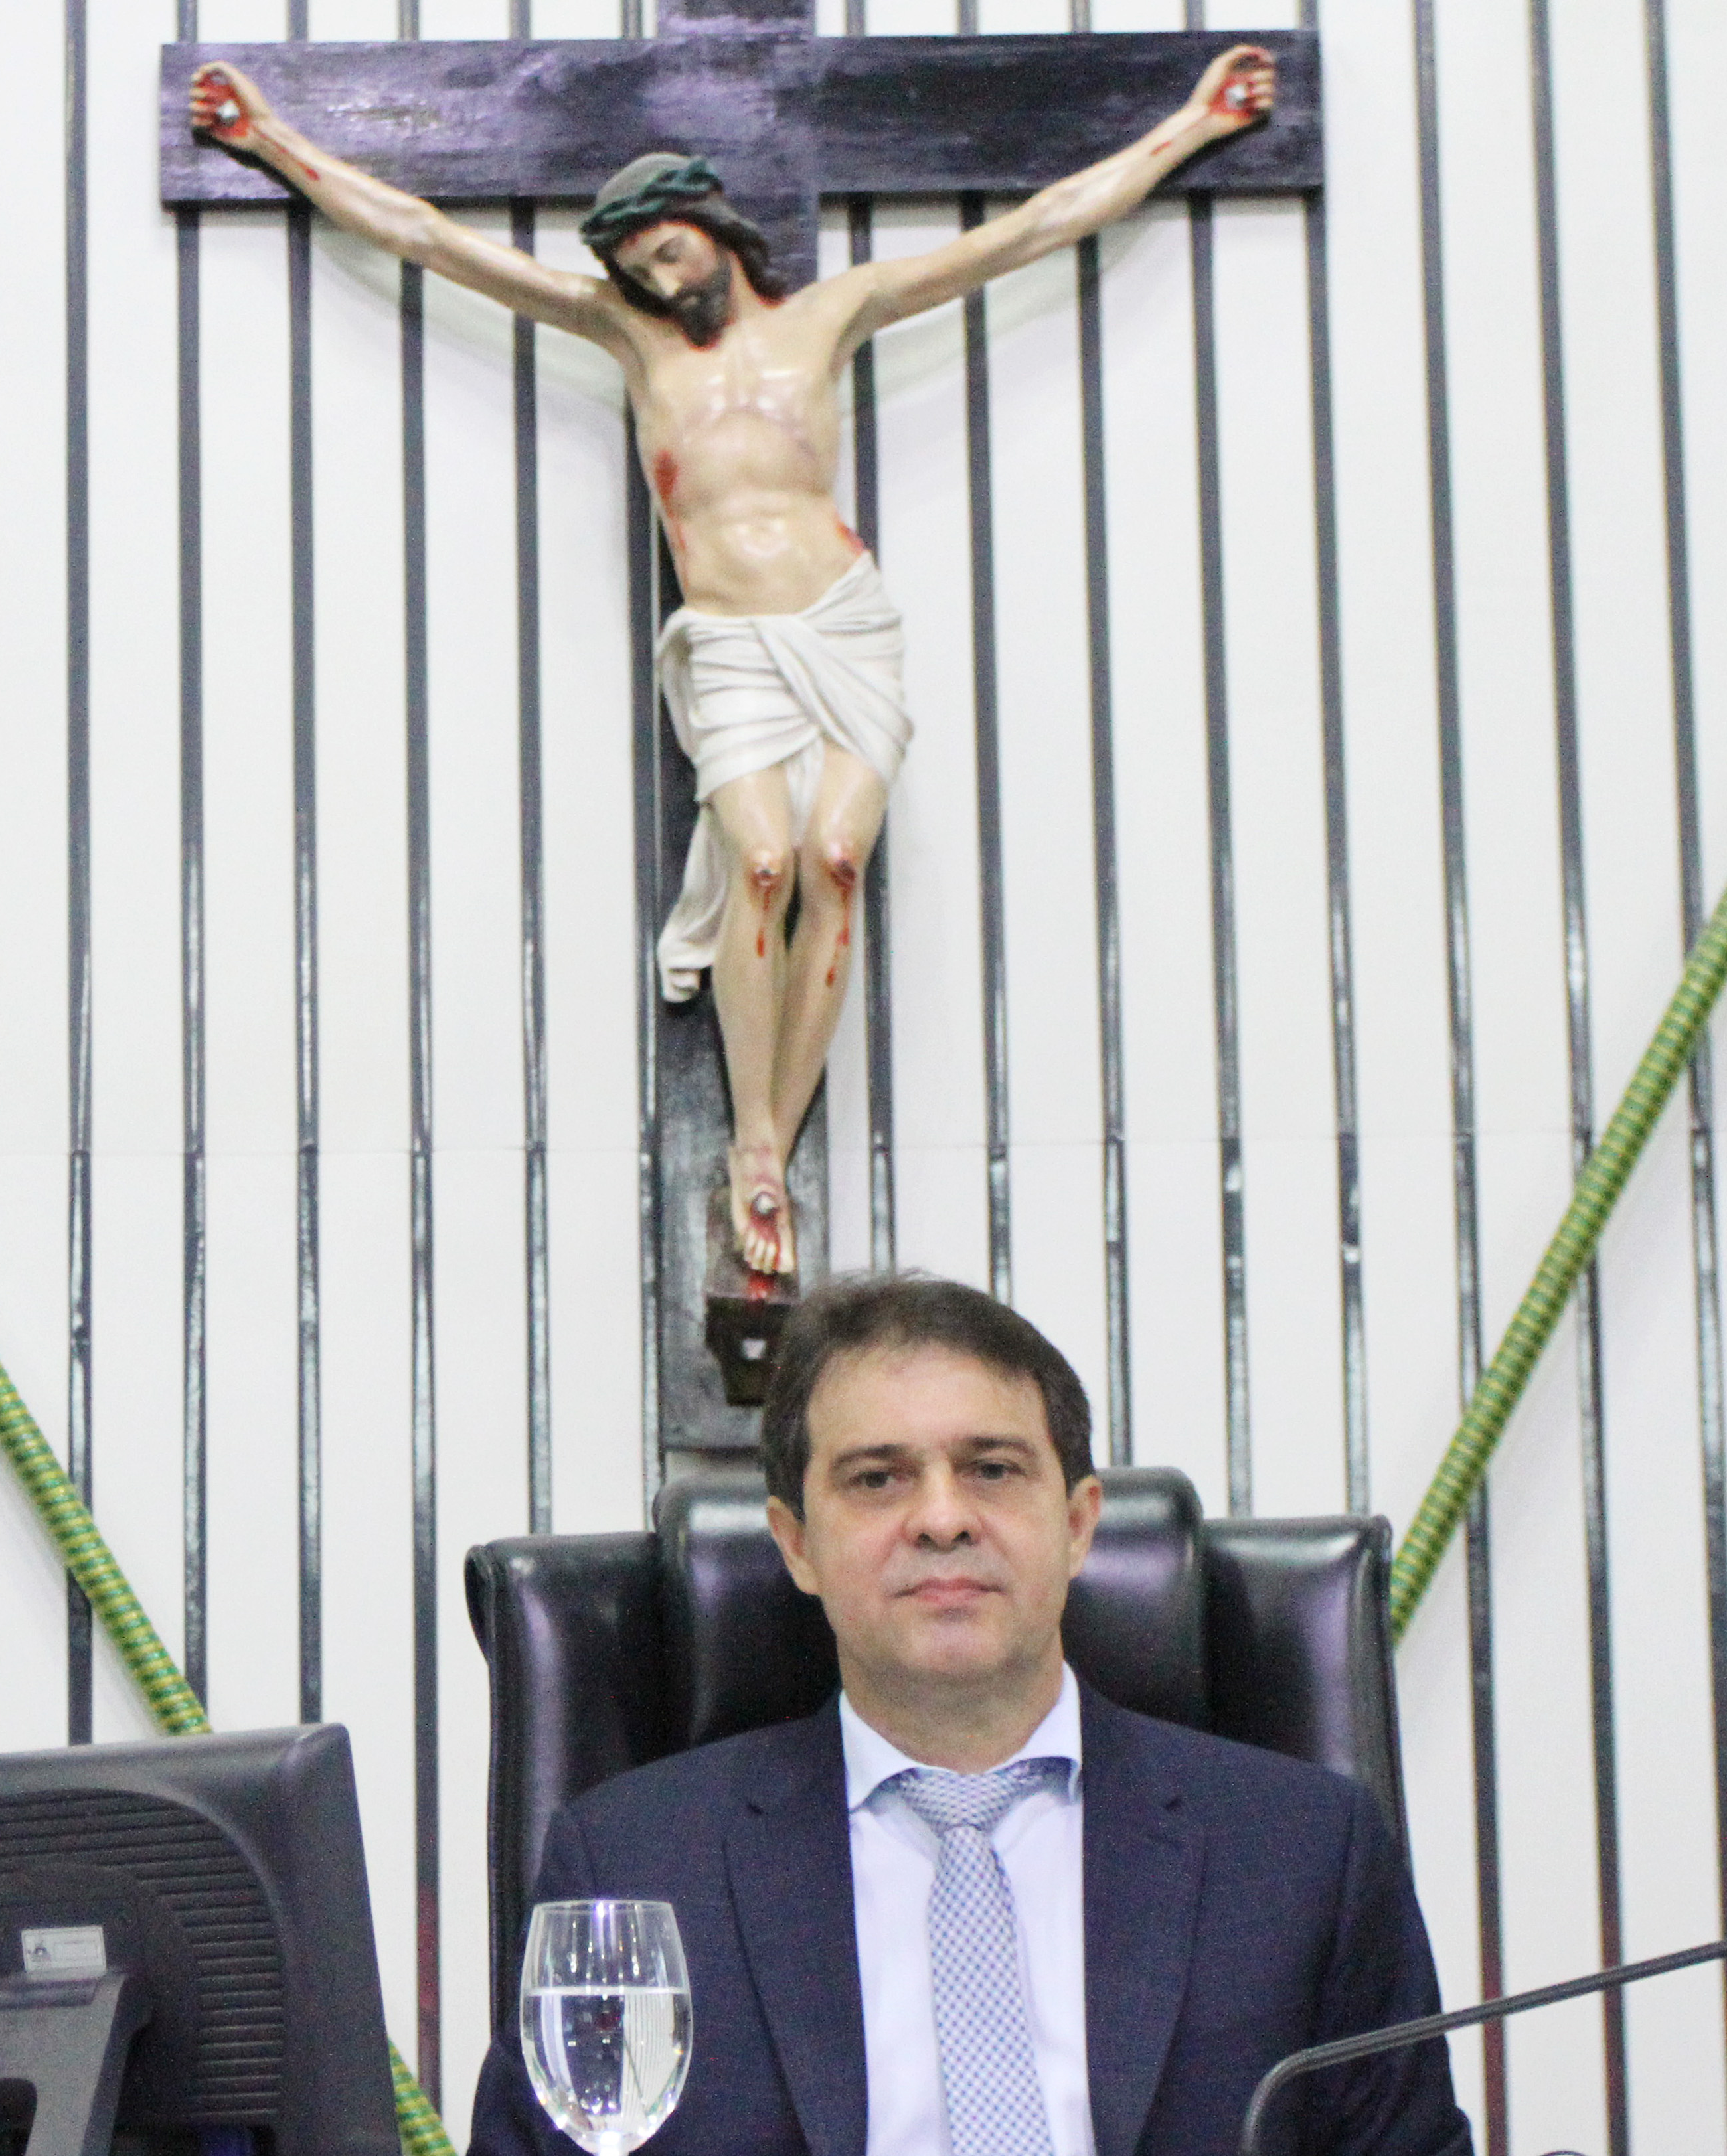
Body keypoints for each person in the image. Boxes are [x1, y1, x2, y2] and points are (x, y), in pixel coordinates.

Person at [187, 51, 1275, 1280]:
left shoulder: (834, 313)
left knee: (835, 860)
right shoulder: (627, 337)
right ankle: (756, 1135)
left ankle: (776, 1131)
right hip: (731, 642)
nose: (660, 279)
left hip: (843, 623)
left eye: (669, 251)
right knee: (762, 862)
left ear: (713, 226)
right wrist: (271, 140)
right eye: (638, 267)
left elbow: (1033, 229)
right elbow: (428, 236)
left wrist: (1193, 124)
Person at [455, 1275, 1474, 2156]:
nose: (942, 1519)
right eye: (877, 1479)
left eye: (991, 1469)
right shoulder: (634, 1863)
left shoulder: (1305, 1854)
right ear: (796, 1543)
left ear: (1077, 1524)